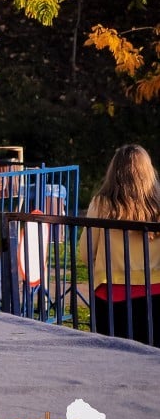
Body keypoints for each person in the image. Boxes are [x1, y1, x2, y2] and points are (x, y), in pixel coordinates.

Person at [79, 144, 160, 346]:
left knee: (113, 356)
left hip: (111, 292)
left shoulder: (101, 204)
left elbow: (86, 252)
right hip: (156, 291)